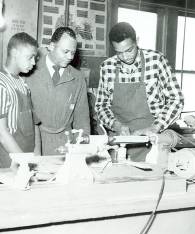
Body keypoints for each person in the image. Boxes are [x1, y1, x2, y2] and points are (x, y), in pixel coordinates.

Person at [95, 22, 184, 161]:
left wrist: (155, 127)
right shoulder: (107, 67)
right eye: (119, 52)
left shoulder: (156, 61)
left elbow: (176, 100)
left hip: (152, 142)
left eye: (129, 50)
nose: (125, 57)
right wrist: (116, 125)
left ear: (137, 41)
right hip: (119, 144)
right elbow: (101, 106)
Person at [26, 27, 91, 155]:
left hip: (65, 145)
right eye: (65, 51)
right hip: (34, 143)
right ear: (51, 46)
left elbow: (82, 119)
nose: (70, 57)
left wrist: (82, 148)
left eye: (73, 53)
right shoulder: (30, 71)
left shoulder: (78, 78)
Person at [0, 32, 38, 168]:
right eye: (30, 57)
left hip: (27, 155)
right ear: (14, 53)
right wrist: (24, 162)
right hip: (8, 159)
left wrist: (36, 158)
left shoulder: (22, 83)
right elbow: (1, 133)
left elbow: (34, 125)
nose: (34, 62)